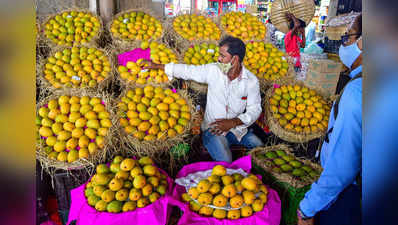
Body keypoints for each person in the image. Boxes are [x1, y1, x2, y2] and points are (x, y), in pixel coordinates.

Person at [143, 36, 264, 163]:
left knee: (258, 146)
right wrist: (156, 65)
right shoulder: (214, 70)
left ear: (235, 59)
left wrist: (234, 122)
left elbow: (255, 108)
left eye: (222, 56)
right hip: (213, 130)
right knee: (225, 160)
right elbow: (188, 71)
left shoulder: (251, 81)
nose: (218, 58)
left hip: (237, 131)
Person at [297, 14, 362, 225]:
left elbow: (343, 165)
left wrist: (308, 208)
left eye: (347, 38)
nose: (344, 45)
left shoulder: (356, 92)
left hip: (350, 196)